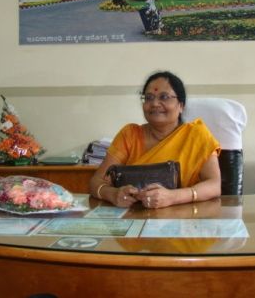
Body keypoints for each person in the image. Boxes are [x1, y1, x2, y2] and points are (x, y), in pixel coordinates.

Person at [90, 71, 221, 208]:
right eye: (149, 97)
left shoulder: (196, 135)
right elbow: (96, 182)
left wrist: (173, 197)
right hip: (133, 217)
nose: (155, 103)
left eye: (164, 97)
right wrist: (113, 194)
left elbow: (214, 185)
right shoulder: (129, 135)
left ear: (181, 106)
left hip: (183, 218)